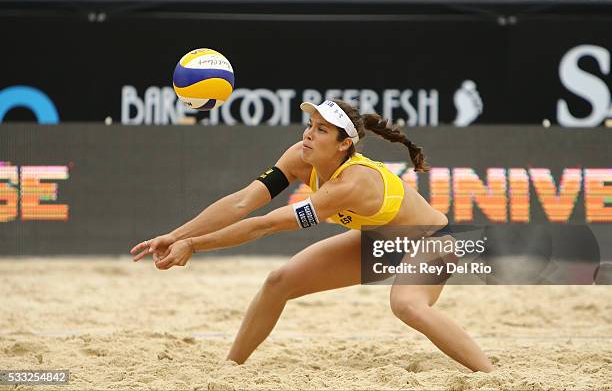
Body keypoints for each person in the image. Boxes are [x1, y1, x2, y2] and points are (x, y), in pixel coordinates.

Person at [130, 99, 495, 373]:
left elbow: (265, 224)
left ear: (343, 145)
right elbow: (243, 203)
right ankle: (231, 371)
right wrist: (175, 234)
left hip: (431, 241)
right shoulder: (300, 158)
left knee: (407, 305)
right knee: (279, 282)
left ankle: (492, 377)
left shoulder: (351, 183)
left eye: (321, 129)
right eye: (309, 124)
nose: (308, 133)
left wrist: (193, 245)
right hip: (379, 243)